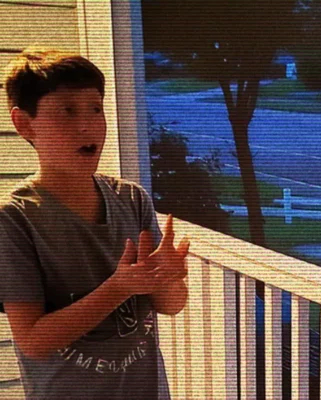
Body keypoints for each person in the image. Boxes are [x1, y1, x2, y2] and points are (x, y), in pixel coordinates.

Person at [0, 48, 189, 399]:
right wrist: (118, 288)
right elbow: (33, 341)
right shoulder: (14, 219)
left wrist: (167, 279)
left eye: (95, 109)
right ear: (25, 123)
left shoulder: (131, 199)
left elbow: (171, 304)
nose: (86, 125)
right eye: (66, 111)